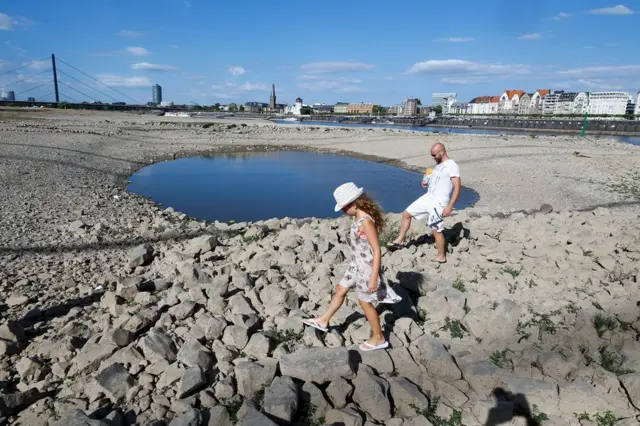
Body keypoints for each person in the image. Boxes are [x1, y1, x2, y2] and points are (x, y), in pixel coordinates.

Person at [302, 182, 401, 351]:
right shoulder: (359, 218)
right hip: (355, 265)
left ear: (354, 204)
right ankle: (324, 320)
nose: (342, 211)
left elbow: (377, 250)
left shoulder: (365, 222)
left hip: (366, 268)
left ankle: (379, 337)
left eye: (343, 207)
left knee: (365, 303)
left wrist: (373, 277)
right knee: (341, 289)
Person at [387, 142, 461, 263]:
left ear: (442, 152)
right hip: (428, 197)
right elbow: (434, 182)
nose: (433, 157)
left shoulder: (452, 165)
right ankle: (400, 239)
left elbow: (457, 187)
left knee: (436, 229)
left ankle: (441, 256)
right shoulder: (438, 165)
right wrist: (426, 182)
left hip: (439, 203)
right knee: (406, 213)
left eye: (434, 155)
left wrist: (449, 206)